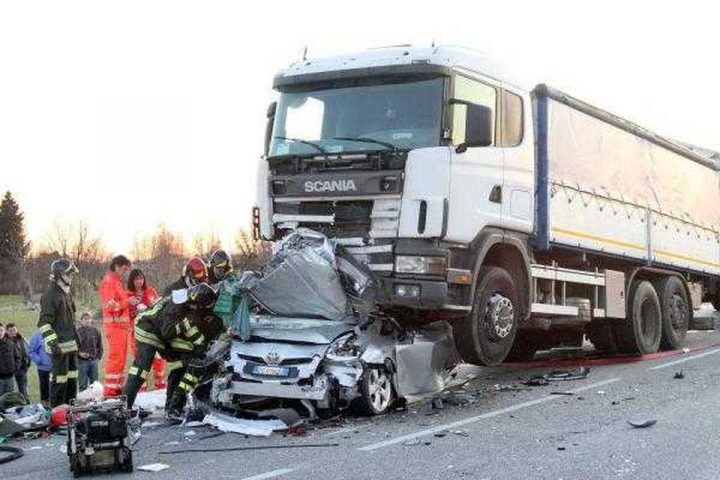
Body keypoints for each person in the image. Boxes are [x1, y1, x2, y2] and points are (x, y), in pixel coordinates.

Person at [122, 283, 220, 417]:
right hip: (148, 328)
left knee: (183, 363)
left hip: (162, 331)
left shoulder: (187, 299)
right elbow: (168, 331)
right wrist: (186, 325)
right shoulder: (176, 307)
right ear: (195, 304)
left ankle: (171, 407)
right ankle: (124, 408)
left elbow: (190, 329)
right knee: (140, 369)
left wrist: (201, 346)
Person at [38, 258, 80, 407]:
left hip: (70, 346)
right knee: (59, 380)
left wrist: (77, 337)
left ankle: (70, 410)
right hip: (59, 348)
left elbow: (70, 320)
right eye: (69, 274)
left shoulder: (65, 292)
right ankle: (57, 413)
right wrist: (53, 343)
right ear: (59, 275)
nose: (72, 277)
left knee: (72, 378)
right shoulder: (50, 295)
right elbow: (43, 324)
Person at [98, 254, 132, 397]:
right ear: (117, 266)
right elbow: (111, 306)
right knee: (116, 359)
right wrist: (127, 302)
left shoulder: (116, 282)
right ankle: (110, 392)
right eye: (124, 269)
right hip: (115, 328)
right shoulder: (109, 282)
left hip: (121, 328)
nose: (125, 273)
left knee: (121, 360)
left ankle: (117, 389)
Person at [126, 268, 166, 390]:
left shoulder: (151, 291)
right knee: (141, 363)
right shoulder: (128, 295)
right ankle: (141, 390)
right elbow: (125, 314)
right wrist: (134, 310)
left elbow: (159, 306)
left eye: (141, 278)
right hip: (138, 334)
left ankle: (161, 387)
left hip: (154, 332)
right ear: (132, 281)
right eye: (136, 279)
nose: (139, 281)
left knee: (159, 361)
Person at [76, 312, 103, 391]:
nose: (87, 321)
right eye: (85, 319)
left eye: (88, 319)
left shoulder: (96, 331)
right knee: (82, 384)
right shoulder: (77, 332)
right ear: (81, 321)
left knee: (95, 385)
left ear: (91, 320)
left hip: (93, 361)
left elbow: (100, 346)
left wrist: (98, 358)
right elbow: (74, 347)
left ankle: (94, 401)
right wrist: (79, 354)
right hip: (82, 362)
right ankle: (83, 401)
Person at [6, 323, 31, 400]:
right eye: (11, 330)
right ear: (6, 331)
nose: (13, 332)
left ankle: (26, 405)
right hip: (9, 371)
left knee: (23, 390)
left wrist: (27, 364)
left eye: (14, 330)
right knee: (10, 391)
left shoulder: (21, 339)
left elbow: (27, 352)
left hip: (22, 369)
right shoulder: (4, 341)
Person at [28, 330, 52, 404]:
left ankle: (56, 408)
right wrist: (39, 360)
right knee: (44, 388)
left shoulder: (57, 332)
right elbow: (31, 351)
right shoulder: (37, 335)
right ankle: (45, 407)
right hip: (43, 368)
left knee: (57, 389)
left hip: (57, 368)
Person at [0, 323, 20, 396]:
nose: (0, 332)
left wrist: (15, 369)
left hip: (10, 378)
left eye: (1, 330)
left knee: (10, 398)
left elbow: (17, 357)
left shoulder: (11, 344)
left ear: (4, 331)